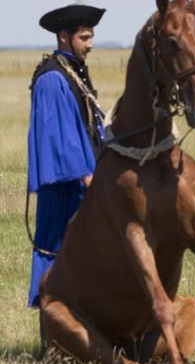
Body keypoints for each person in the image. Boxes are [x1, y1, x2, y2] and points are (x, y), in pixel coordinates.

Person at [27, 4, 106, 308]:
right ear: (64, 37)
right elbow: (58, 139)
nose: (91, 44)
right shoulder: (52, 79)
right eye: (85, 37)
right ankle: (53, 334)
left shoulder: (73, 73)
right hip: (65, 187)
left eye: (92, 36)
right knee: (56, 254)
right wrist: (86, 175)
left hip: (83, 182)